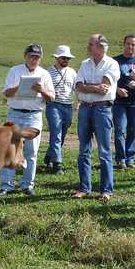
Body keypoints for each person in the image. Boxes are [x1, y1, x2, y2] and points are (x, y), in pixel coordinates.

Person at [0, 44, 55, 197]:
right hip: (14, 113)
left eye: (37, 57)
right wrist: (20, 87)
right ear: (25, 56)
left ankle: (27, 185)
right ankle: (5, 186)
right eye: (31, 56)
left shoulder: (44, 74)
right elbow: (7, 93)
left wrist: (41, 90)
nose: (34, 59)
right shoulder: (14, 71)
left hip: (34, 115)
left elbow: (51, 98)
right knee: (10, 149)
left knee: (31, 151)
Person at [73, 33, 121, 202]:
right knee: (83, 149)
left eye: (90, 44)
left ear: (100, 47)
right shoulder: (84, 64)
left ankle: (106, 190)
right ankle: (84, 187)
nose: (88, 47)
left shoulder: (112, 64)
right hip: (85, 108)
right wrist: (91, 87)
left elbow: (105, 88)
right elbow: (78, 86)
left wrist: (86, 87)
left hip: (102, 109)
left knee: (104, 150)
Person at [113, 34, 135, 169]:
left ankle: (130, 158)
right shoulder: (115, 61)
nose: (130, 46)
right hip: (119, 102)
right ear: (124, 44)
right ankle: (120, 159)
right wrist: (117, 90)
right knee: (120, 129)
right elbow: (108, 80)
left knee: (133, 130)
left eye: (133, 44)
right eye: (128, 43)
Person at [43, 45, 78, 175]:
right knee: (56, 132)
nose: (66, 60)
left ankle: (49, 156)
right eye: (63, 58)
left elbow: (76, 88)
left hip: (68, 106)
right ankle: (57, 164)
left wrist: (79, 101)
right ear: (57, 58)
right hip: (53, 105)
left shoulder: (73, 72)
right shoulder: (48, 72)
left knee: (62, 134)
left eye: (68, 58)